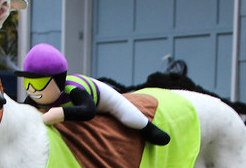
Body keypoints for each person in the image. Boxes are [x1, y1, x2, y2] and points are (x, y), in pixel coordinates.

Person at [15, 44, 170, 145]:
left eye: (38, 83)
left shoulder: (73, 91)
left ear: (57, 80)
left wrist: (60, 113)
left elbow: (88, 110)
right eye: (28, 82)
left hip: (98, 94)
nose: (32, 89)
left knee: (126, 113)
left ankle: (148, 128)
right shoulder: (33, 98)